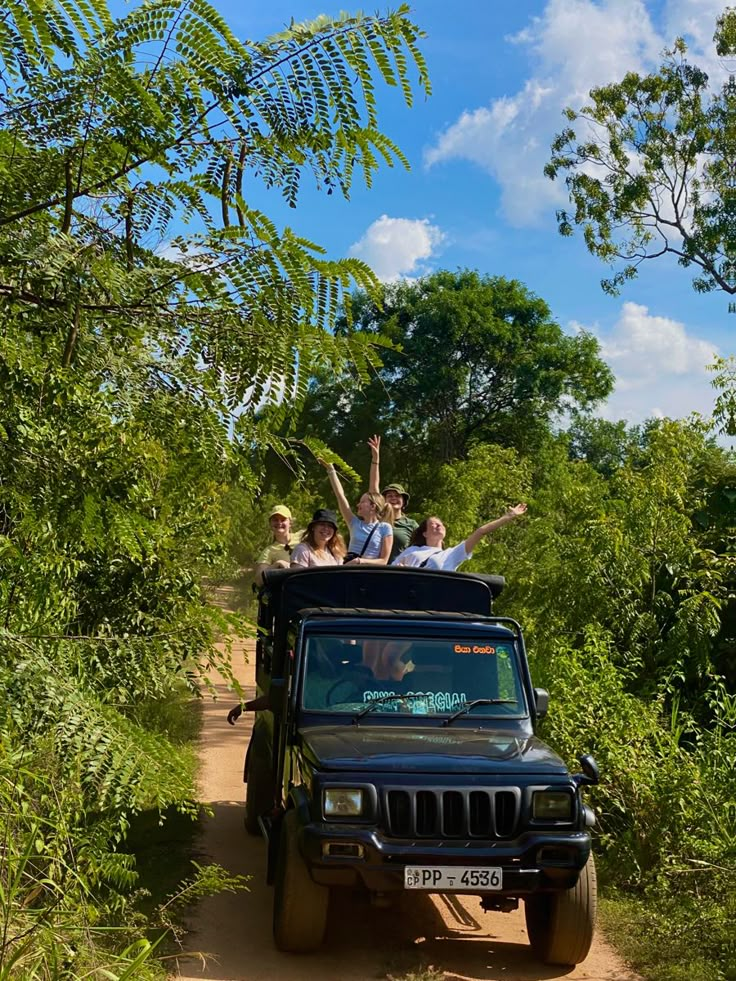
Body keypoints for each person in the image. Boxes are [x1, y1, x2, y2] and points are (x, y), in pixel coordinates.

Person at [392, 505, 528, 571]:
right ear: (425, 533)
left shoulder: (452, 554)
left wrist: (509, 516)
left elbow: (480, 532)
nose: (438, 525)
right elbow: (391, 570)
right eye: (433, 524)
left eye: (440, 524)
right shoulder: (412, 551)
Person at [319, 459, 393, 565]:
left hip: (369, 573)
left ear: (373, 506)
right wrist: (331, 470)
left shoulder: (385, 528)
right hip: (351, 571)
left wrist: (359, 561)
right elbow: (340, 496)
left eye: (362, 502)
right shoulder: (354, 523)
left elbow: (384, 561)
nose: (358, 505)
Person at [367, 434, 418, 561]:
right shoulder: (377, 518)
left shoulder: (411, 525)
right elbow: (373, 488)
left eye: (397, 496)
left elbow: (422, 548)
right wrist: (375, 459)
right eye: (389, 496)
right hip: (374, 571)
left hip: (399, 574)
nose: (393, 498)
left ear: (403, 501)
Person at [254, 504, 301, 586]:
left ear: (290, 523)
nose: (279, 523)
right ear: (270, 523)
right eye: (275, 520)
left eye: (283, 519)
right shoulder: (268, 551)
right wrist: (277, 565)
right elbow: (259, 580)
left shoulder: (302, 536)